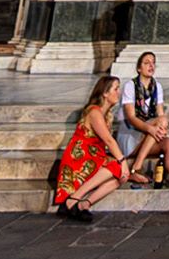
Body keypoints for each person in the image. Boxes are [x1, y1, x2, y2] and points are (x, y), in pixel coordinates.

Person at [52, 75, 129, 219]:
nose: (119, 92)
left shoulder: (105, 115)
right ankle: (72, 200)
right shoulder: (94, 112)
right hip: (80, 158)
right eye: (116, 88)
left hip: (93, 156)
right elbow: (109, 140)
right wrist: (123, 162)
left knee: (120, 178)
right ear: (105, 93)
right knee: (117, 166)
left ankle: (85, 203)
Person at [117, 51, 169, 186]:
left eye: (153, 62)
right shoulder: (131, 86)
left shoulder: (157, 87)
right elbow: (132, 118)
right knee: (161, 122)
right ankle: (136, 167)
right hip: (130, 136)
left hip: (145, 138)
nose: (151, 65)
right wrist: (151, 129)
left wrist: (161, 131)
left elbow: (160, 114)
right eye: (147, 63)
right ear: (139, 68)